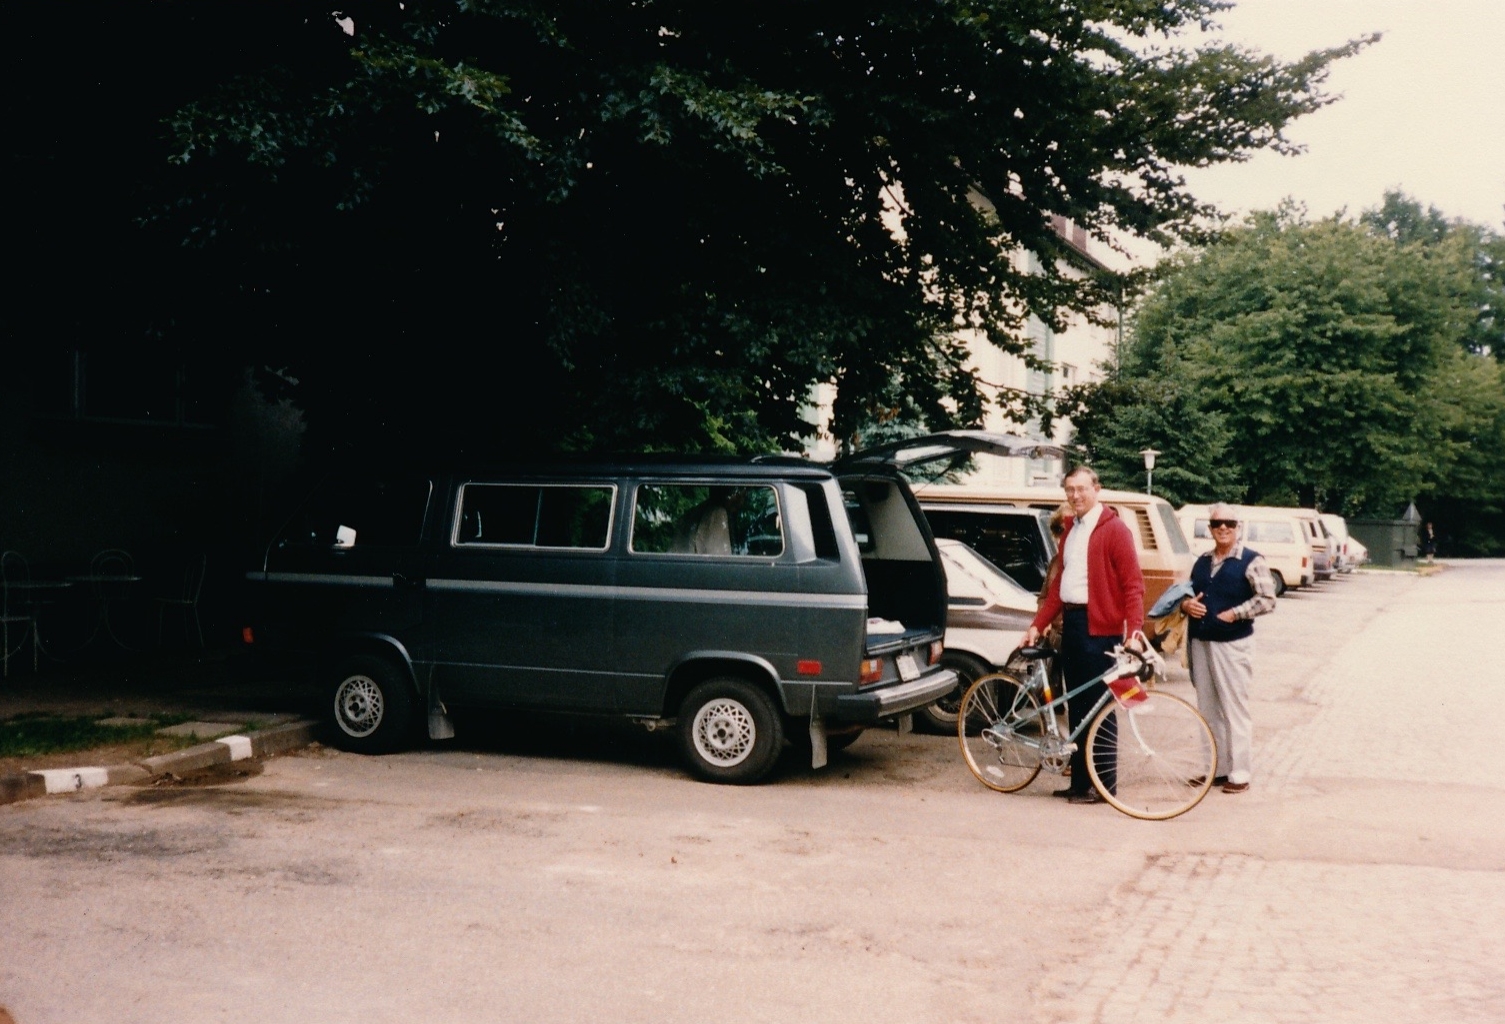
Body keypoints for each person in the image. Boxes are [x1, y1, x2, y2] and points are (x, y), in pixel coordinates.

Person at [1024, 466, 1145, 804]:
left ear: (1097, 489)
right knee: (1077, 708)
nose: (1074, 495)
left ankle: (1102, 785)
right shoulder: (1071, 531)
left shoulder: (1115, 530)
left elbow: (1134, 587)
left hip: (1100, 630)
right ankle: (1080, 782)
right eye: (1069, 490)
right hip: (1074, 625)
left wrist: (1134, 632)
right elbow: (1059, 589)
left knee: (1100, 709)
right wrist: (1038, 623)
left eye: (1081, 489)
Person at [1179, 503, 1277, 794]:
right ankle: (1215, 769)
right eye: (1217, 523)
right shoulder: (1202, 561)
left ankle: (1239, 773)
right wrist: (1186, 604)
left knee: (1234, 708)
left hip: (1233, 645)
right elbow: (1185, 592)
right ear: (1209, 528)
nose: (1223, 528)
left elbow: (1267, 599)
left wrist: (1236, 613)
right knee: (1207, 708)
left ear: (1238, 527)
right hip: (1201, 641)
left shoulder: (1251, 560)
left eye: (1230, 524)